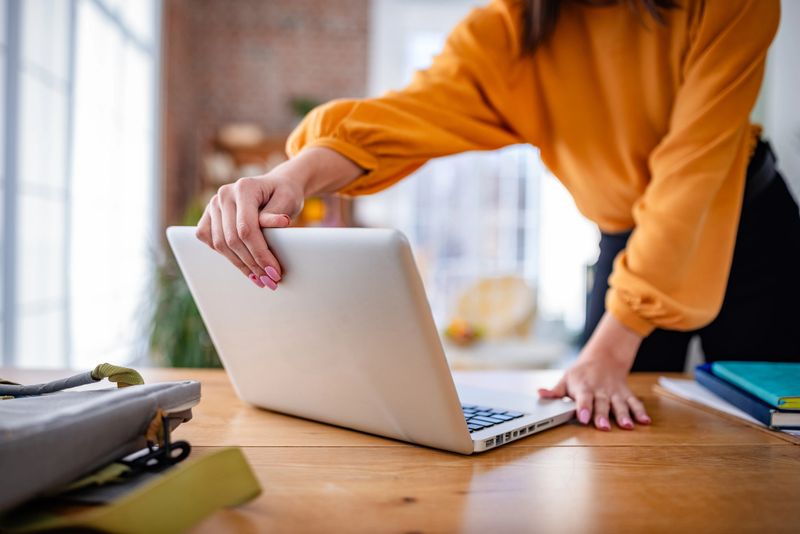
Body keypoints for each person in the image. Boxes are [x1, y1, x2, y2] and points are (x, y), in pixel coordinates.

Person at [196, 0, 800, 431]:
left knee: (779, 433)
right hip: (627, 244)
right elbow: (409, 116)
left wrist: (614, 346)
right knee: (605, 433)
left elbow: (692, 170)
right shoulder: (510, 31)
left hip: (753, 230)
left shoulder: (731, 5)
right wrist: (290, 177)